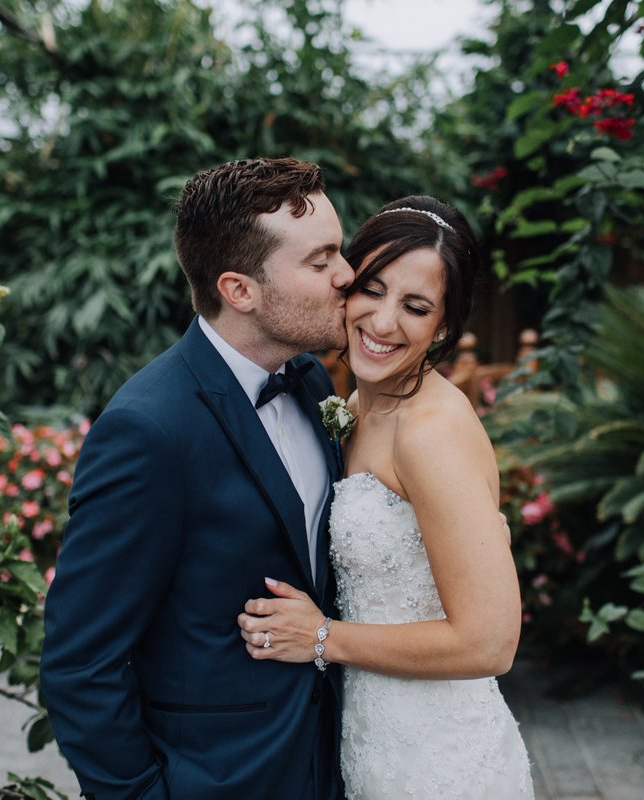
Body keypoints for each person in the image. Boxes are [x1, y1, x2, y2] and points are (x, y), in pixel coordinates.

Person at [40, 157, 352, 800]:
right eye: (320, 263)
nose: (347, 276)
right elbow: (80, 664)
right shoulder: (149, 430)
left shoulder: (313, 382)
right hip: (218, 778)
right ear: (240, 290)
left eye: (339, 253)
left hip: (325, 764)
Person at [237, 196, 534, 798]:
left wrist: (322, 638)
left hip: (440, 759)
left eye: (416, 307)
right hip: (370, 740)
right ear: (345, 283)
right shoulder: (352, 406)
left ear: (444, 326)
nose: (382, 322)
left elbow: (491, 641)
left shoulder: (430, 433)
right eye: (372, 289)